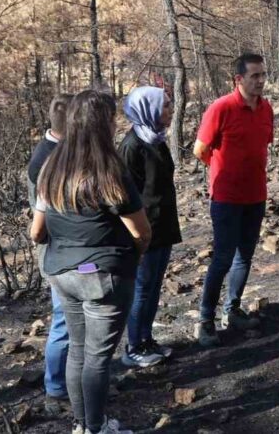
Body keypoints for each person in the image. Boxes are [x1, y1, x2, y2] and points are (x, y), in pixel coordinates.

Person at [31, 90, 152, 434]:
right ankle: (97, 428)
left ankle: (83, 425)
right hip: (103, 277)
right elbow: (141, 232)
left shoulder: (50, 168)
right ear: (104, 124)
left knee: (78, 352)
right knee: (97, 358)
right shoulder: (110, 170)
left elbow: (36, 231)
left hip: (63, 274)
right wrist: (129, 258)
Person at [192, 53, 274, 347]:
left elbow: (263, 145)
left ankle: (232, 309)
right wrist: (221, 173)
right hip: (226, 198)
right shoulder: (221, 108)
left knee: (245, 256)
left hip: (256, 195)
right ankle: (205, 319)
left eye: (263, 75)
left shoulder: (266, 109)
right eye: (254, 76)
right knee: (223, 257)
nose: (261, 81)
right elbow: (200, 149)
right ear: (238, 79)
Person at [118, 86, 182, 368]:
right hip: (144, 230)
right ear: (149, 109)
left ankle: (146, 338)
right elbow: (126, 196)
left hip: (163, 224)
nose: (170, 110)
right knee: (142, 288)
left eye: (169, 104)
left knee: (155, 285)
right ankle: (133, 347)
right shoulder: (132, 146)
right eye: (165, 105)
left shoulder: (157, 139)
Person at [26, 93, 72, 415]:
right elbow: (40, 225)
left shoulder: (55, 150)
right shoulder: (48, 159)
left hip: (62, 251)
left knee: (72, 322)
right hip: (57, 252)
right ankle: (55, 390)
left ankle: (69, 383)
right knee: (64, 324)